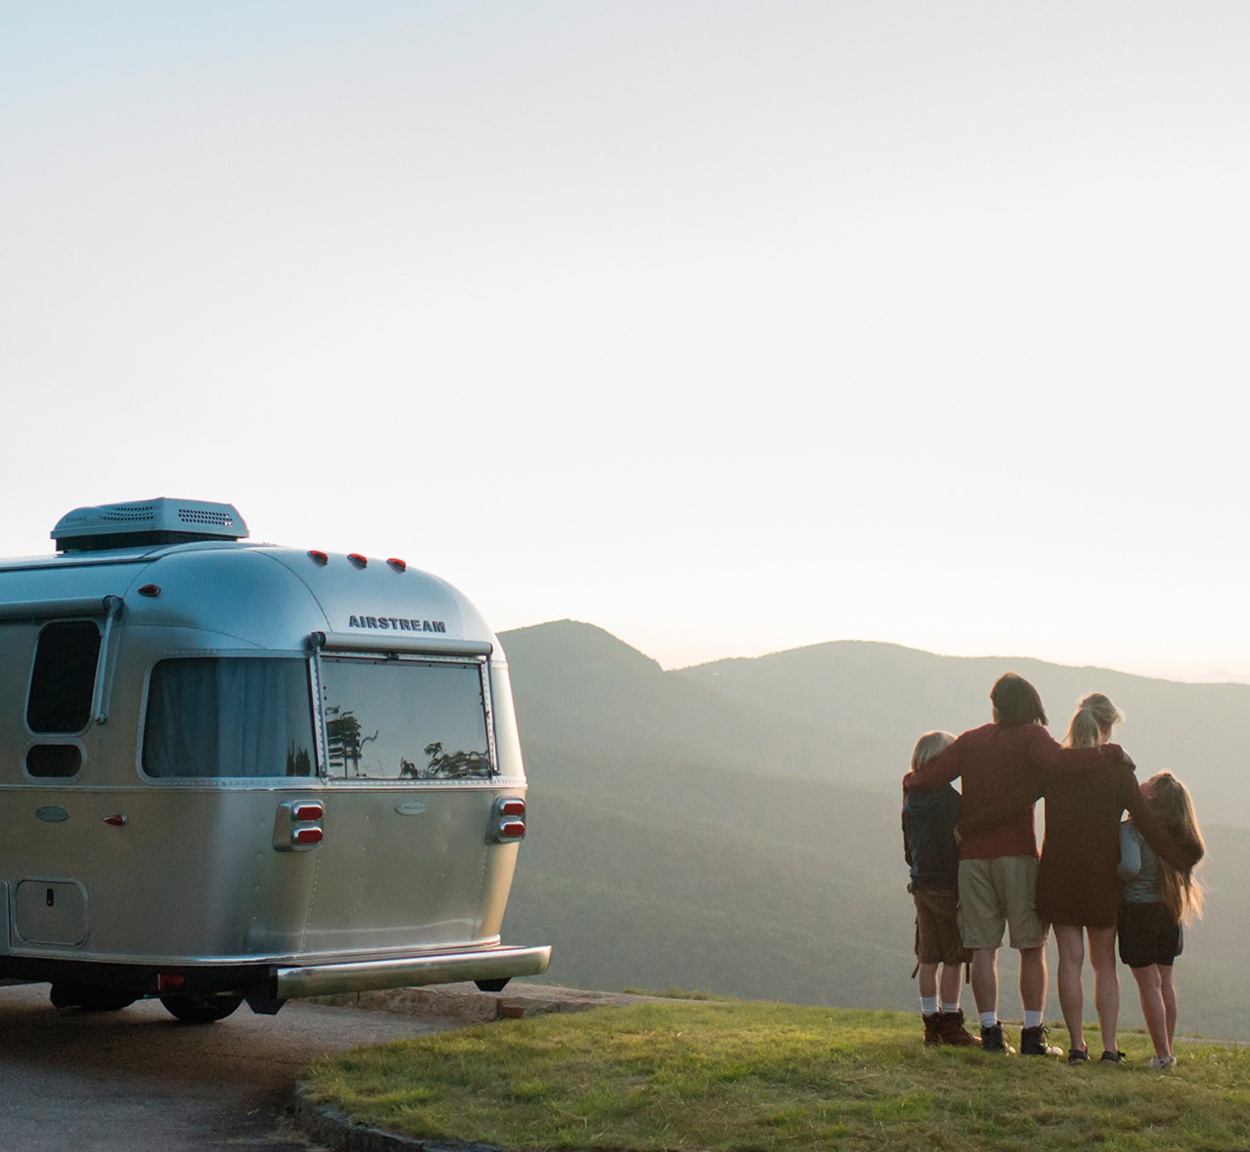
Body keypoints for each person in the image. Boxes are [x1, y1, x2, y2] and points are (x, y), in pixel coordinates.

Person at [902, 673, 1129, 1056]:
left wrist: (910, 780)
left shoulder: (970, 740)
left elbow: (933, 776)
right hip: (1019, 856)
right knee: (1030, 947)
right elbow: (1062, 762)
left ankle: (990, 1031)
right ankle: (1032, 1033)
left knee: (983, 949)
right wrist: (1110, 753)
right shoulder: (1033, 738)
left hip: (972, 859)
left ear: (996, 707)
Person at [1034, 696, 1201, 1065]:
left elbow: (1019, 799)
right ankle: (1109, 1049)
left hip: (1058, 872)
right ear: (1106, 729)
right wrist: (1186, 858)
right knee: (1103, 964)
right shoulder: (1119, 771)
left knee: (1069, 961)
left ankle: (1077, 1046)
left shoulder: (1054, 767)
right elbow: (1147, 824)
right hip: (1102, 876)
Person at [1118, 771, 1205, 1069]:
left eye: (1148, 782)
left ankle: (1163, 1055)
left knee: (1149, 985)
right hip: (1169, 911)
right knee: (1165, 980)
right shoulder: (1177, 834)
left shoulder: (1133, 829)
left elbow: (1130, 867)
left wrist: (1112, 874)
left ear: (1152, 796)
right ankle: (1165, 1052)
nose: (1141, 783)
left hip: (1138, 912)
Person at [901, 731, 979, 1046]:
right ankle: (951, 1024)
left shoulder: (910, 796)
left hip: (920, 882)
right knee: (953, 957)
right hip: (947, 885)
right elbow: (957, 846)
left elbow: (908, 846)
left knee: (928, 956)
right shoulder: (950, 801)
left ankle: (930, 1024)